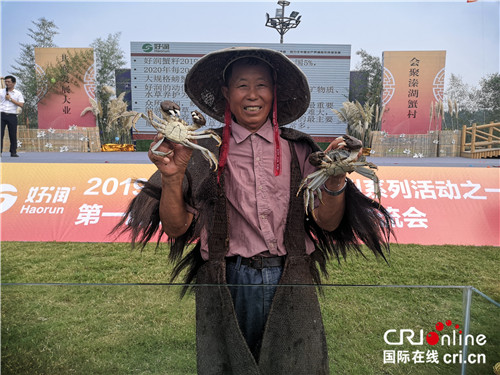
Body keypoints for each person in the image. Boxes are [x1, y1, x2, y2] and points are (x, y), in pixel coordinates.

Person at [114, 47, 392, 375]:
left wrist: (334, 177)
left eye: (261, 85)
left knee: (297, 366)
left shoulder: (301, 150)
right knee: (228, 365)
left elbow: (327, 223)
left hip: (290, 275)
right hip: (226, 278)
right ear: (226, 94)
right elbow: (177, 229)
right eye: (242, 85)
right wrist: (173, 178)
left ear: (274, 93)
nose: (252, 94)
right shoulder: (201, 151)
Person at [1, 75, 24, 157]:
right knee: (0, 134)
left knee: (13, 134)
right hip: (1, 115)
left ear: (14, 83)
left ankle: (13, 152)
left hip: (12, 115)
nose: (7, 83)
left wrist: (10, 99)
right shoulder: (1, 92)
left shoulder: (18, 93)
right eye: (5, 82)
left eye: (9, 82)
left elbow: (21, 104)